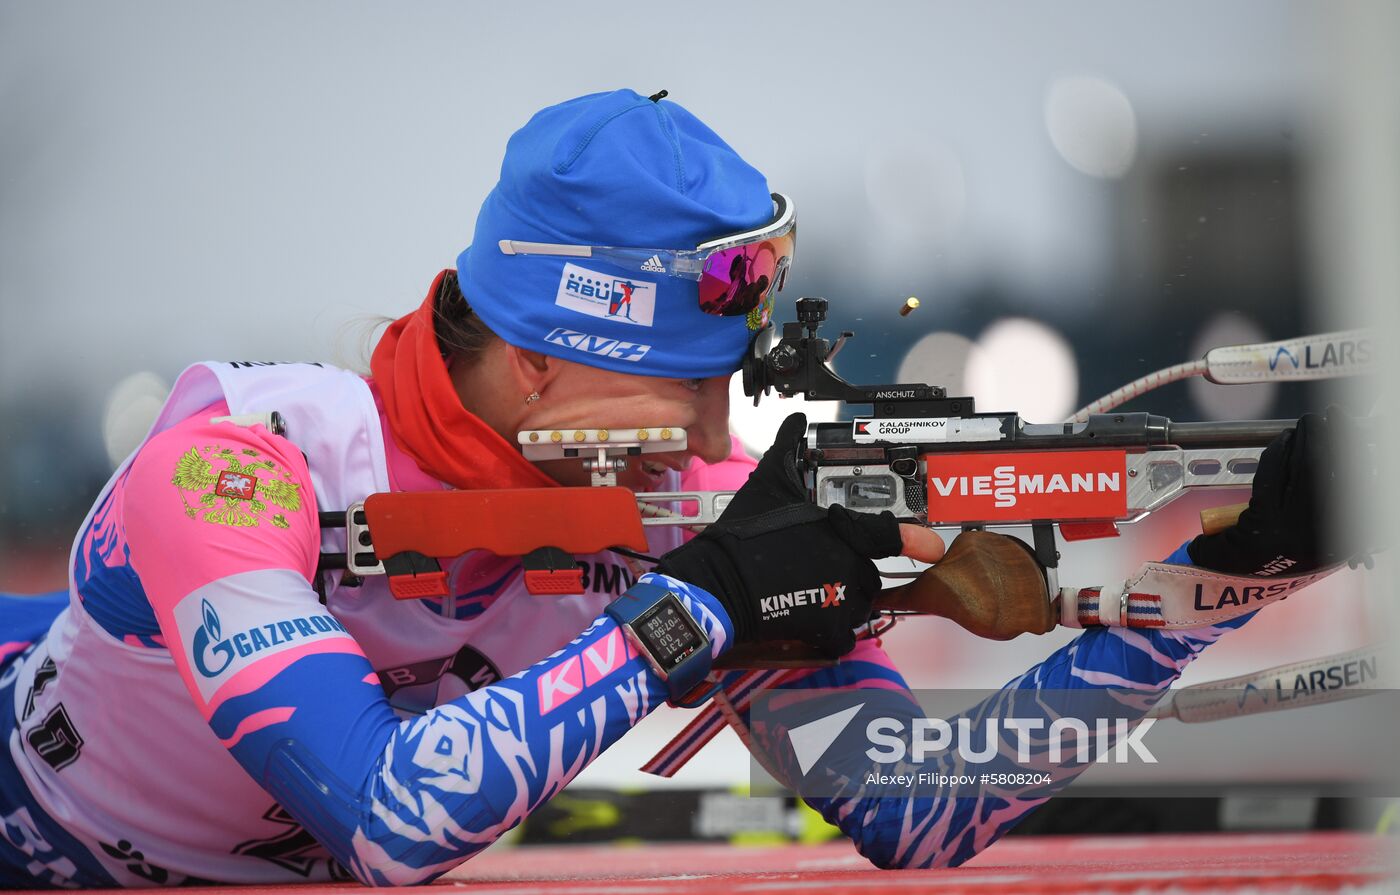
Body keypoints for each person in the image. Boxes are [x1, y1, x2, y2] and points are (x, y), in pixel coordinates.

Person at [0, 89, 1344, 887]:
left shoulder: (673, 506)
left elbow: (919, 802)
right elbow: (389, 822)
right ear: (534, 361)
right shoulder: (240, 469)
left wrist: (1233, 568)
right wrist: (688, 616)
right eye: (679, 382)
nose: (713, 430)